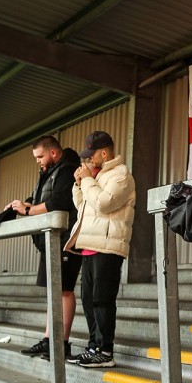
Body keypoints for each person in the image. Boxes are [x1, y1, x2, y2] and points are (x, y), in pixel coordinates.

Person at [6, 136, 81, 360]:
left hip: (66, 239)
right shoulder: (48, 171)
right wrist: (24, 204)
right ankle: (50, 340)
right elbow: (43, 198)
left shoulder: (68, 169)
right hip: (49, 239)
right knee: (54, 291)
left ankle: (61, 343)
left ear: (53, 153)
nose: (38, 160)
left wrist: (29, 210)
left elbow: (60, 202)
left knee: (64, 290)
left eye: (40, 156)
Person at [65, 131, 135, 368]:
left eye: (91, 155)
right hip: (89, 245)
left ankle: (105, 351)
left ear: (104, 153)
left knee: (102, 300)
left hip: (108, 246)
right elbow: (83, 207)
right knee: (88, 301)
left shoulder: (121, 174)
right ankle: (94, 347)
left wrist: (86, 180)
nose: (87, 160)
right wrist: (79, 184)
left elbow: (104, 204)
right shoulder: (96, 176)